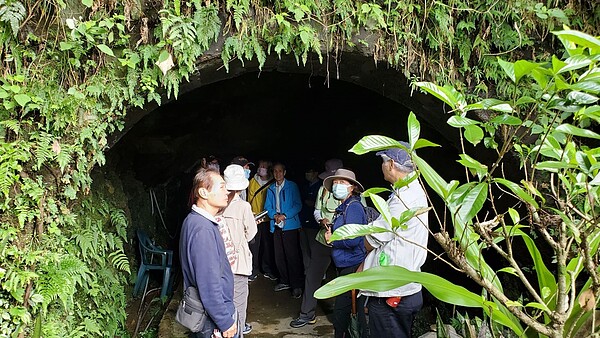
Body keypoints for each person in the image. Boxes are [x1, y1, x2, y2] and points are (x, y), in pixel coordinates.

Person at [360, 143, 429, 338]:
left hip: (392, 291)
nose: (381, 166)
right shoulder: (410, 192)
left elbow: (374, 238)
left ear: (390, 164)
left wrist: (364, 243)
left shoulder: (404, 199)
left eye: (382, 162)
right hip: (404, 286)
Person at [179, 168, 238, 338]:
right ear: (203, 192)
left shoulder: (195, 221)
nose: (226, 191)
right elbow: (208, 282)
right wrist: (224, 321)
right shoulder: (202, 229)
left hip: (209, 315)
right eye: (221, 187)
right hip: (212, 319)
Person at [290, 158, 344, 328]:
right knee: (312, 275)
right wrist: (321, 220)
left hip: (345, 243)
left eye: (339, 180)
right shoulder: (324, 190)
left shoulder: (355, 194)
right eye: (332, 179)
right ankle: (307, 314)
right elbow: (317, 210)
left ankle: (348, 316)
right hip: (323, 239)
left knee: (347, 279)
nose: (335, 184)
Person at [323, 168, 368, 338]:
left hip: (353, 266)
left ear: (352, 187)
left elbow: (354, 240)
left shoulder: (354, 208)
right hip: (344, 265)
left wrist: (333, 239)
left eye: (342, 183)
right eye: (335, 183)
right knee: (345, 312)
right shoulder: (344, 207)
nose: (337, 186)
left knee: (341, 314)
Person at [222, 164, 258, 336]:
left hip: (220, 263)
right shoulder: (243, 206)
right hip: (238, 263)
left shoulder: (216, 205)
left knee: (222, 303)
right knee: (238, 303)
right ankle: (238, 332)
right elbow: (251, 234)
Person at [264, 162, 304, 298]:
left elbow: (298, 205)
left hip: (290, 226)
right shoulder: (270, 188)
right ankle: (284, 281)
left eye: (280, 171)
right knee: (279, 256)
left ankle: (297, 285)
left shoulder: (292, 186)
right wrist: (274, 215)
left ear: (284, 172)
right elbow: (267, 207)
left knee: (292, 256)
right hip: (275, 225)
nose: (277, 174)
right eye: (275, 171)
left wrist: (284, 215)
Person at [247, 159, 277, 282]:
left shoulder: (273, 183)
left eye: (264, 166)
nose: (261, 168)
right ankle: (252, 270)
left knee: (267, 245)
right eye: (260, 166)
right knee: (253, 245)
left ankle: (267, 269)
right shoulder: (252, 182)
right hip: (254, 218)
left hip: (268, 219)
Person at [298, 165, 322, 275]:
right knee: (305, 250)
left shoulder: (321, 187)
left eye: (310, 171)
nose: (307, 174)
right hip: (304, 223)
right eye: (306, 172)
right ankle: (308, 273)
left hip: (315, 225)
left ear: (316, 173)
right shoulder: (305, 186)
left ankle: (318, 274)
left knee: (315, 251)